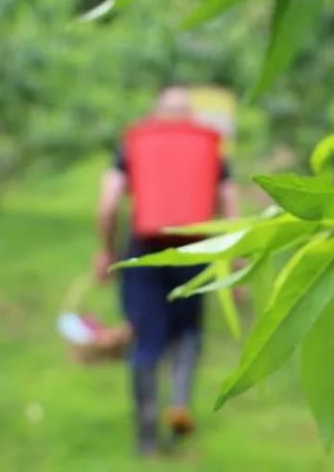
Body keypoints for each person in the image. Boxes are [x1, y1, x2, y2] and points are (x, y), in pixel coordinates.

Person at [94, 85, 239, 455]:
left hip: (145, 251)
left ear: (157, 113)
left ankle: (146, 435)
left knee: (145, 338)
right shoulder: (210, 146)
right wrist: (238, 264)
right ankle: (178, 405)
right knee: (187, 331)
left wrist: (106, 251)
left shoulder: (136, 143)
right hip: (194, 252)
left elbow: (109, 204)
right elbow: (231, 206)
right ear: (190, 115)